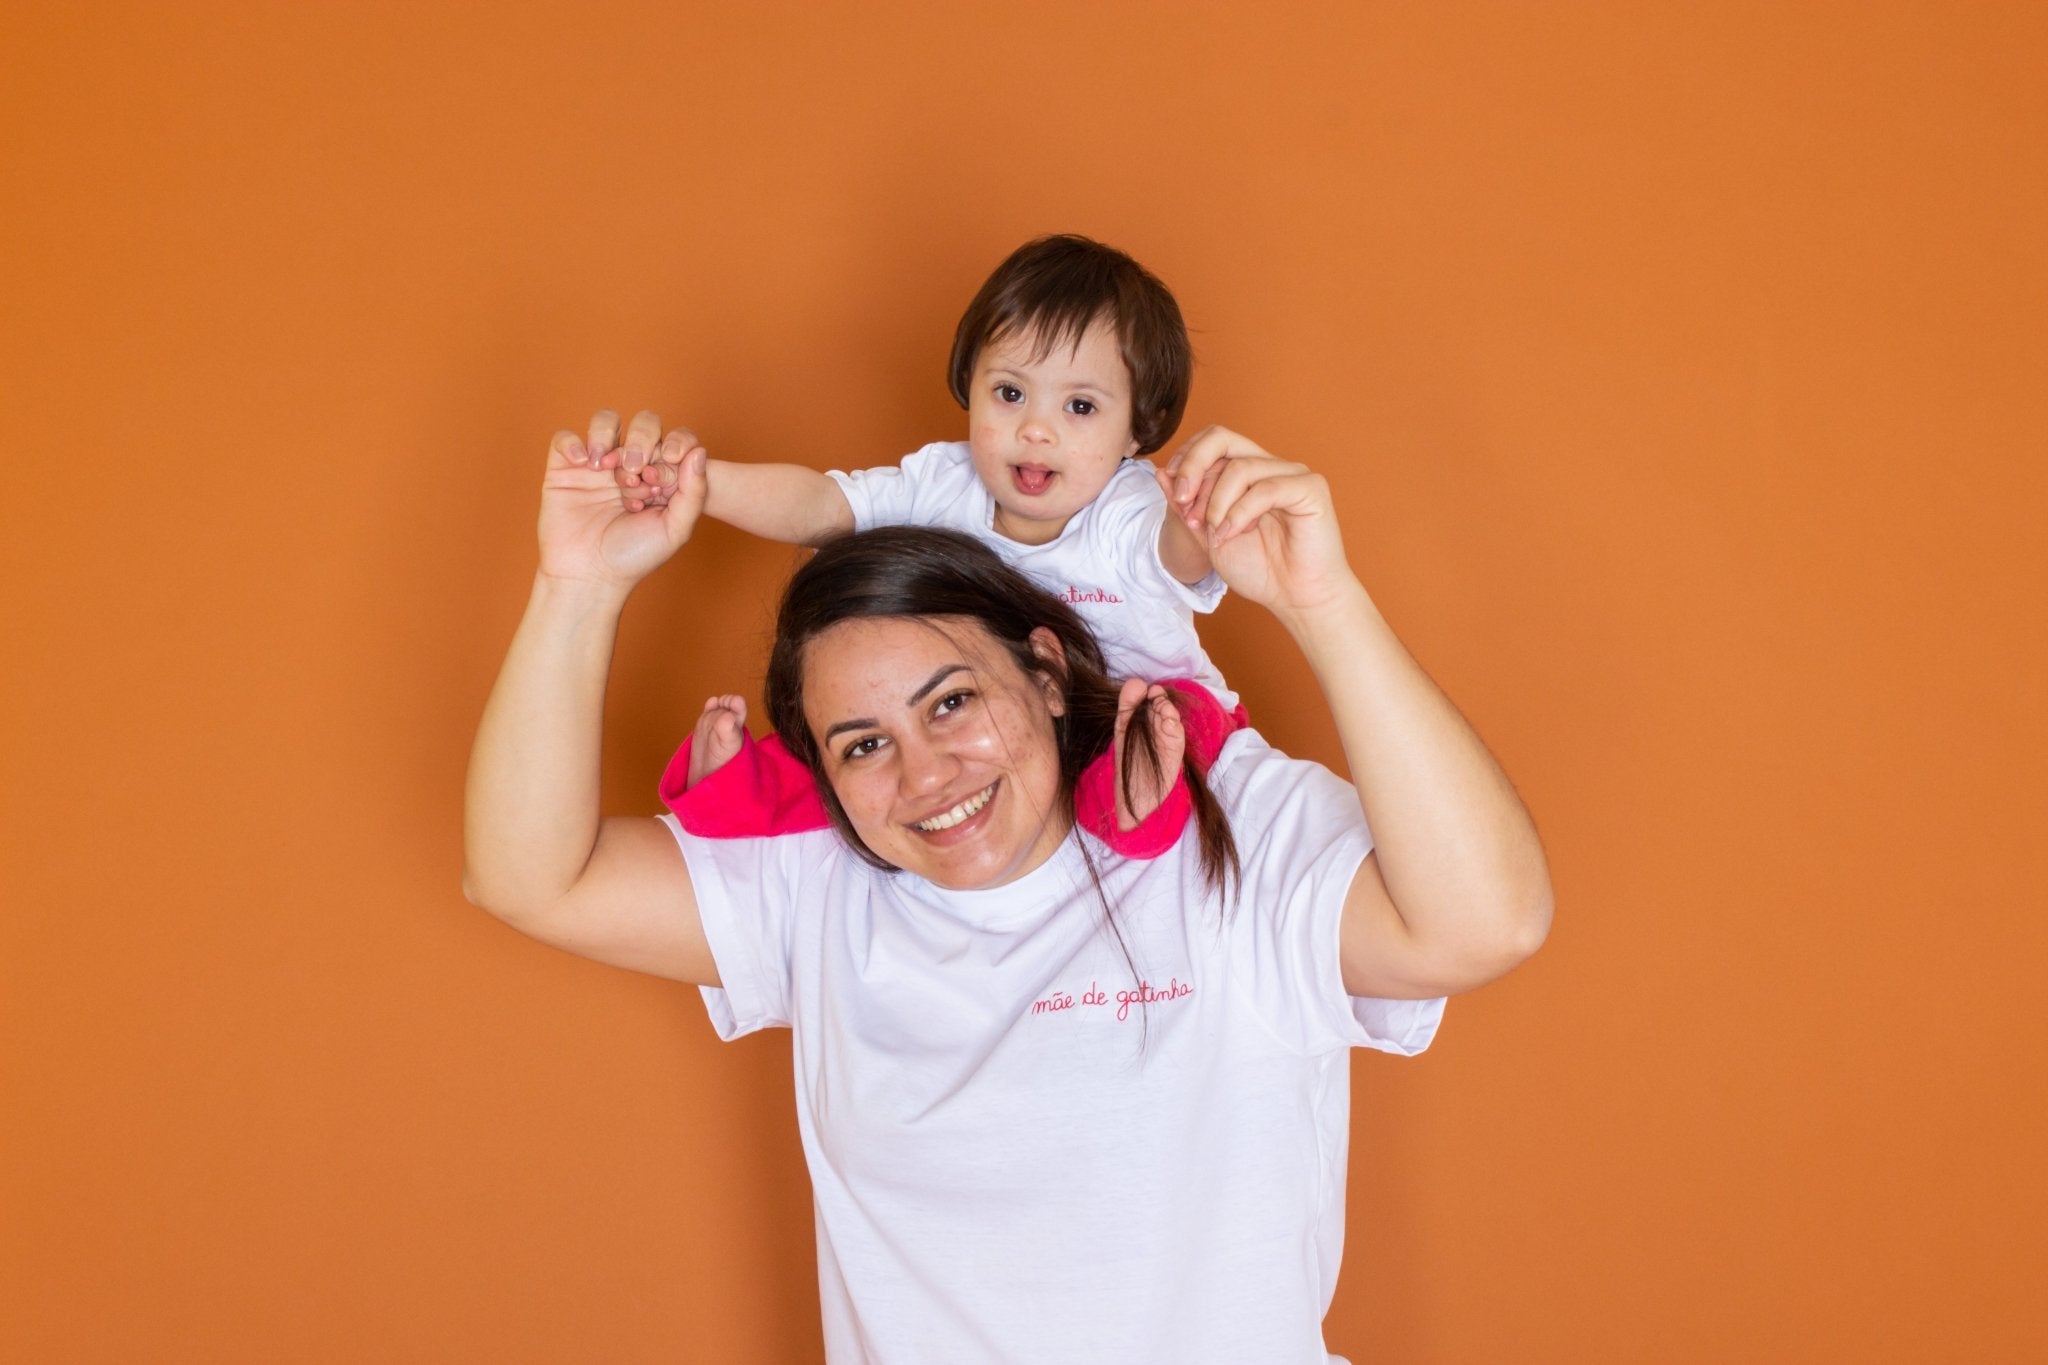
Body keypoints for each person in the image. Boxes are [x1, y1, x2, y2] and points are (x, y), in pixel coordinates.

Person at [463, 411, 1553, 1363]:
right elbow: (530, 879)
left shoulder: (1224, 822)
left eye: (948, 703)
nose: (925, 777)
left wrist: (1323, 605)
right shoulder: (821, 885)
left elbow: (1485, 922)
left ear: (1041, 669)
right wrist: (577, 588)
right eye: (860, 746)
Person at [608, 236, 1247, 852]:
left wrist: (1198, 517)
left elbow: (1175, 555)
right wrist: (701, 482)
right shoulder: (943, 483)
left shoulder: (1131, 508)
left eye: (1080, 407)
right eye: (1010, 393)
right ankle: (742, 789)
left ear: (1137, 431)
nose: (1035, 430)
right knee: (870, 744)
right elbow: (822, 507)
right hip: (991, 724)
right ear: (969, 384)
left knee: (1173, 722)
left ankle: (1134, 801)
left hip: (1128, 705)